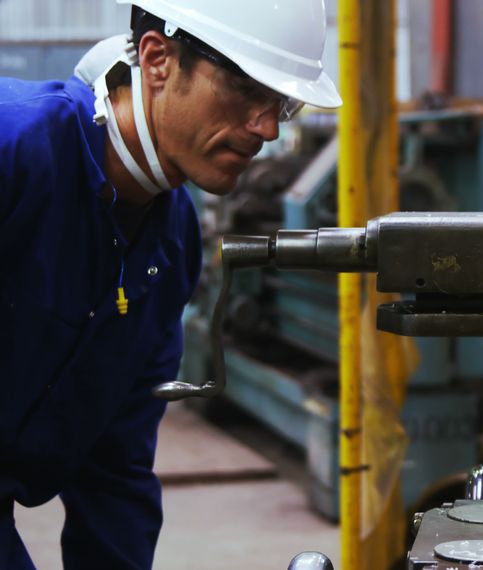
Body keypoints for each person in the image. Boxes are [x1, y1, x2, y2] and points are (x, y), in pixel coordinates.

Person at [0, 1, 341, 567]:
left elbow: (116, 463)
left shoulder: (172, 238)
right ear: (158, 59)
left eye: (282, 102)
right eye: (244, 89)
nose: (268, 128)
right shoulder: (15, 155)